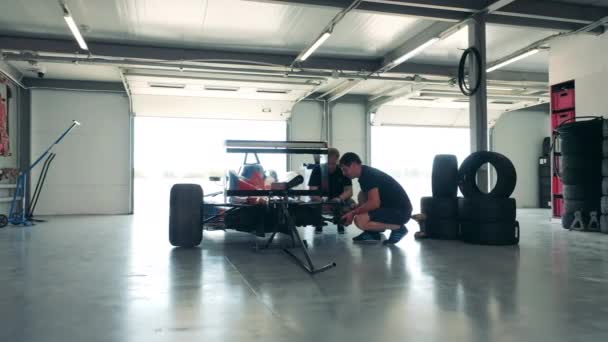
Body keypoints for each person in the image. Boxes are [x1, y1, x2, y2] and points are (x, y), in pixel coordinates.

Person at [339, 152, 412, 245]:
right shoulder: (365, 173)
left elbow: (374, 203)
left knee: (360, 220)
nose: (344, 173)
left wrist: (353, 213)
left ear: (353, 165)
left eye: (345, 170)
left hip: (401, 213)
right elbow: (370, 201)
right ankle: (372, 233)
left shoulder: (368, 176)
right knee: (362, 195)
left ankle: (399, 229)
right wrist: (353, 209)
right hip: (394, 209)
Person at [308, 147, 354, 234]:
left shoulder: (342, 170)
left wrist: (339, 199)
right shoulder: (317, 169)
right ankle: (318, 223)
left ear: (337, 160)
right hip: (320, 200)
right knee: (310, 206)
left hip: (339, 200)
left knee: (352, 205)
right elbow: (312, 192)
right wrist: (322, 201)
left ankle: (341, 222)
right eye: (328, 163)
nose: (330, 166)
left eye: (333, 163)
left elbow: (349, 191)